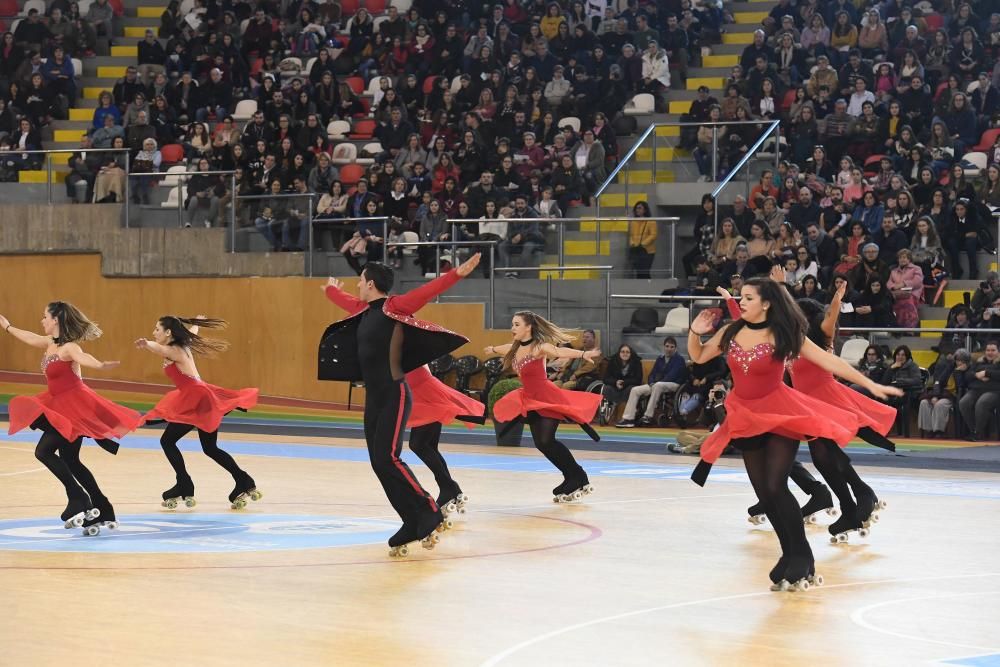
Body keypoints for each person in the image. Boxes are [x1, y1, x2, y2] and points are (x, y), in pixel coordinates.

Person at [687, 276, 900, 590]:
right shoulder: (730, 332)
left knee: (775, 485)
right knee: (764, 493)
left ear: (766, 303)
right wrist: (694, 332)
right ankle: (791, 552)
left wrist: (870, 384)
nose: (741, 302)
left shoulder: (784, 333)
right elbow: (699, 356)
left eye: (748, 297)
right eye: (741, 297)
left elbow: (828, 360)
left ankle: (801, 556)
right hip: (745, 416)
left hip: (780, 414)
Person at [318, 255, 481, 557]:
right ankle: (410, 520)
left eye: (360, 281)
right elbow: (344, 300)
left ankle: (428, 510)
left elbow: (427, 291)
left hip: (395, 393)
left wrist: (457, 274)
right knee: (379, 462)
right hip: (375, 398)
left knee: (389, 458)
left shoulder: (395, 307)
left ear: (370, 284)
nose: (356, 286)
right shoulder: (362, 311)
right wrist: (330, 291)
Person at [1, 303, 142, 535]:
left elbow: (83, 356)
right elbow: (29, 337)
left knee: (43, 452)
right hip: (59, 405)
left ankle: (77, 497)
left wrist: (99, 365)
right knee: (71, 459)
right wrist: (7, 327)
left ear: (56, 319)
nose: (42, 321)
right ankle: (103, 507)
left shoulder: (68, 348)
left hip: (74, 407)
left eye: (45, 317)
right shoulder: (50, 343)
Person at [134, 316, 260, 510]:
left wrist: (146, 343)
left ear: (168, 332)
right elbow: (191, 335)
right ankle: (244, 481)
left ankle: (184, 484)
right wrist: (196, 325)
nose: (154, 332)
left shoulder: (173, 350)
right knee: (210, 448)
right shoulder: (182, 345)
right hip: (201, 396)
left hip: (196, 399)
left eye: (157, 329)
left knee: (167, 441)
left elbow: (160, 348)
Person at [487, 311, 603, 502]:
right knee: (542, 444)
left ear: (528, 327)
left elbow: (558, 352)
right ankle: (572, 476)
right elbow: (504, 348)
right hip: (530, 400)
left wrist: (583, 353)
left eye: (516, 324)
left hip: (546, 397)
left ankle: (578, 476)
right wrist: (492, 348)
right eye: (512, 324)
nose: (512, 328)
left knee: (546, 440)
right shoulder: (514, 349)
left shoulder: (539, 347)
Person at [404, 364, 486, 517]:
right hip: (420, 387)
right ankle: (451, 489)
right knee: (428, 445)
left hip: (424, 389)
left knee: (419, 444)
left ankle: (449, 487)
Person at [617, 336, 689, 427]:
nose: (669, 349)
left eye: (672, 347)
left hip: (674, 384)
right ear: (664, 347)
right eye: (667, 346)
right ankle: (628, 419)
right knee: (635, 390)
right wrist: (651, 383)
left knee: (658, 385)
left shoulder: (679, 360)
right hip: (657, 385)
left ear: (675, 348)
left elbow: (672, 376)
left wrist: (656, 384)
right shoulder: (660, 358)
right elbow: (652, 373)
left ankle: (648, 416)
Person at [958, 340, 1000, 441]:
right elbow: (968, 374)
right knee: (963, 402)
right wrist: (976, 375)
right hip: (976, 389)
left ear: (998, 351)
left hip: (994, 391)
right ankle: (974, 431)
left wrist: (986, 373)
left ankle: (978, 433)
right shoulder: (979, 362)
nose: (990, 352)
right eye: (988, 350)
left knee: (982, 403)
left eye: (993, 350)